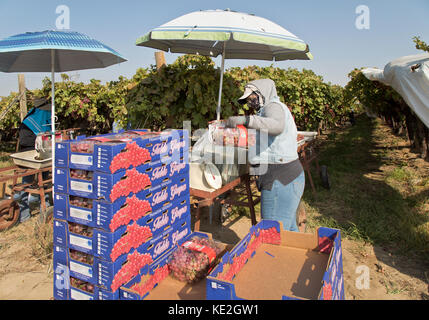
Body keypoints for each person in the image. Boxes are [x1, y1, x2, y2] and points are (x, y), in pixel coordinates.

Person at [225, 79, 305, 232]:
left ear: (263, 93)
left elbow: (276, 126)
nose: (250, 103)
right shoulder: (267, 110)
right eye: (248, 100)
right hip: (285, 177)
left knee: (272, 233)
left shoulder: (273, 106)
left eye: (252, 98)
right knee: (288, 231)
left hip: (280, 179)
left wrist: (245, 120)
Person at [13, 95, 52, 224]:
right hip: (31, 154)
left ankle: (30, 213)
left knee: (32, 182)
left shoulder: (31, 118)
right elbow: (43, 135)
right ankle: (36, 211)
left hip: (32, 154)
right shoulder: (36, 121)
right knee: (36, 182)